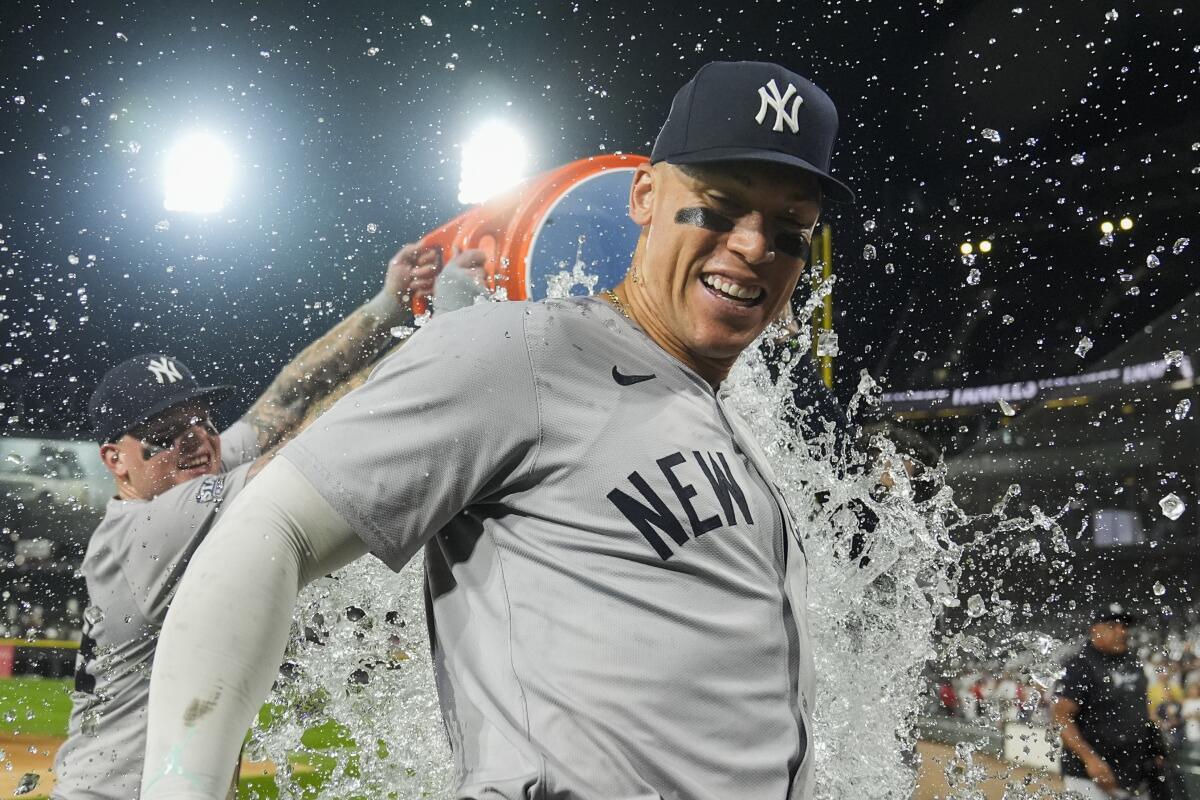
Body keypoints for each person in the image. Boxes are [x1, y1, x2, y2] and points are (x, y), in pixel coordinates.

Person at [141, 60, 855, 800]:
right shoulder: (524, 350)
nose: (752, 245)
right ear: (643, 194)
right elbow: (268, 530)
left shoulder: (733, 435)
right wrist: (178, 786)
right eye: (718, 206)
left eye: (790, 227)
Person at [49, 242, 460, 799]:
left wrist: (387, 306)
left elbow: (286, 400)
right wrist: (447, 342)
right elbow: (314, 445)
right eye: (163, 433)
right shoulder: (144, 531)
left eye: (202, 418)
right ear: (114, 461)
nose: (195, 438)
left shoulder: (190, 474)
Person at [1053, 604, 1166, 799]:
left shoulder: (1133, 662)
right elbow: (1061, 717)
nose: (1121, 632)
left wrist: (1155, 746)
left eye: (1124, 627)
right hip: (1087, 776)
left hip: (1132, 774)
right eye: (1112, 626)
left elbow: (1143, 709)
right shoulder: (1080, 664)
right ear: (1094, 629)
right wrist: (1090, 760)